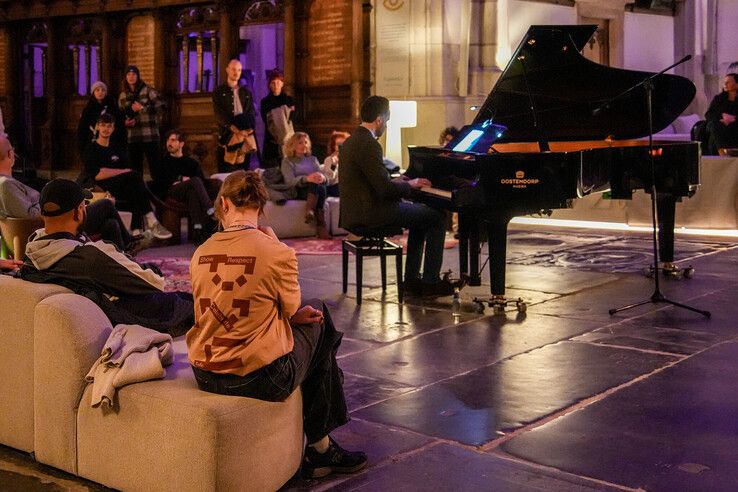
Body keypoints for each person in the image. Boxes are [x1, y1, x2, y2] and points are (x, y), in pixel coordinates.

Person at [186, 170, 367, 479]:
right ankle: (322, 449)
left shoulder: (200, 252)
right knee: (320, 324)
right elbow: (292, 306)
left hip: (205, 371)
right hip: (257, 378)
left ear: (224, 204)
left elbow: (222, 306)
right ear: (261, 206)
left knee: (308, 327)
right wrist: (278, 247)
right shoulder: (275, 252)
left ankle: (322, 448)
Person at [19, 179, 193, 335]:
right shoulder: (91, 257)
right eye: (83, 205)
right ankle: (131, 247)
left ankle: (130, 248)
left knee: (110, 226)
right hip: (118, 314)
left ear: (43, 214)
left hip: (91, 305)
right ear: (77, 213)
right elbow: (153, 283)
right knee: (190, 302)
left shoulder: (32, 252)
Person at [339, 95, 456, 297]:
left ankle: (411, 280)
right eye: (387, 120)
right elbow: (383, 189)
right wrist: (410, 184)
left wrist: (401, 180)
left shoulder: (352, 141)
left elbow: (375, 181)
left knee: (420, 218)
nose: (386, 125)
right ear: (380, 120)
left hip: (356, 211)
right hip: (373, 213)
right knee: (437, 217)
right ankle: (429, 282)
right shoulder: (369, 144)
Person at [0, 134, 144, 253]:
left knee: (110, 225)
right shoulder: (5, 184)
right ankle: (129, 243)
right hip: (55, 226)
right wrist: (56, 202)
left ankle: (122, 260)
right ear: (9, 154)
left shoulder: (8, 182)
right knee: (106, 205)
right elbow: (31, 215)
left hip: (57, 221)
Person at [80, 113, 172, 240]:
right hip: (101, 188)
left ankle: (135, 231)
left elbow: (127, 170)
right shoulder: (91, 148)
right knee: (135, 178)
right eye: (102, 125)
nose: (106, 129)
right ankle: (150, 220)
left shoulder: (117, 148)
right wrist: (122, 172)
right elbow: (97, 175)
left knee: (134, 188)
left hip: (121, 187)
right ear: (97, 127)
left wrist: (123, 172)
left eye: (109, 126)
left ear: (113, 128)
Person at [153, 130, 216, 244]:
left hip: (187, 192)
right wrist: (182, 180)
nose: (169, 143)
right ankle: (210, 210)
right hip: (171, 192)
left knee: (193, 191)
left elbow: (201, 181)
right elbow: (159, 181)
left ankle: (197, 229)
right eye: (168, 140)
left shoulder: (191, 162)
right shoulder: (163, 162)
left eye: (173, 140)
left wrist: (186, 181)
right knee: (194, 181)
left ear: (181, 144)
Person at [280, 132, 330, 239]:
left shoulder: (313, 159)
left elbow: (324, 178)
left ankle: (310, 211)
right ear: (292, 145)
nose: (304, 145)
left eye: (306, 142)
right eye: (300, 143)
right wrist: (307, 178)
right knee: (315, 184)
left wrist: (323, 178)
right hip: (297, 190)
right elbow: (289, 182)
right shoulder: (287, 161)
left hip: (315, 190)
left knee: (320, 185)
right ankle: (321, 224)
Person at [212, 58, 257, 172]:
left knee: (243, 171)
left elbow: (251, 112)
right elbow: (219, 114)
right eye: (233, 69)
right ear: (227, 70)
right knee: (227, 171)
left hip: (245, 136)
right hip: (227, 135)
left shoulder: (246, 93)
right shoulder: (219, 92)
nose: (236, 72)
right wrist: (233, 128)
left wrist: (248, 129)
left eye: (239, 70)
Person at [118, 65, 163, 178]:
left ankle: (159, 193)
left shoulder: (148, 90)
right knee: (135, 170)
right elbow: (119, 115)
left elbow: (161, 107)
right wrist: (124, 122)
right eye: (128, 74)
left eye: (134, 74)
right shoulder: (123, 95)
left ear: (138, 76)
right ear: (125, 77)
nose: (131, 77)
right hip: (132, 136)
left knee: (156, 168)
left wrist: (143, 108)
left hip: (149, 135)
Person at [77, 81, 126, 156]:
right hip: (93, 141)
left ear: (106, 93)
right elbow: (82, 128)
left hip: (111, 141)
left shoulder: (112, 107)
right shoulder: (88, 109)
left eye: (103, 90)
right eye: (97, 90)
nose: (100, 92)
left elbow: (120, 125)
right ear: (93, 92)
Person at [260, 68, 295, 169]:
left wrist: (276, 114)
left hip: (287, 139)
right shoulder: (265, 102)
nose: (276, 85)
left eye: (278, 82)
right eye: (273, 83)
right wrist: (284, 112)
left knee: (288, 168)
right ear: (269, 85)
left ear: (282, 84)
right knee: (273, 170)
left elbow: (292, 118)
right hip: (271, 140)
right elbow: (265, 120)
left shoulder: (289, 100)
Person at [705, 73, 738, 155]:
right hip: (718, 125)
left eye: (728, 82)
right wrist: (722, 117)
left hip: (735, 127)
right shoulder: (719, 98)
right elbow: (708, 114)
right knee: (714, 125)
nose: (725, 84)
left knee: (714, 137)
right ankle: (722, 153)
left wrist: (733, 118)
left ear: (737, 84)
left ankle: (719, 154)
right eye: (725, 82)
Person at [320, 131, 350, 197]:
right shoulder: (329, 159)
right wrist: (334, 165)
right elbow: (330, 179)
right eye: (338, 144)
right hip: (334, 187)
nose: (341, 146)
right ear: (334, 146)